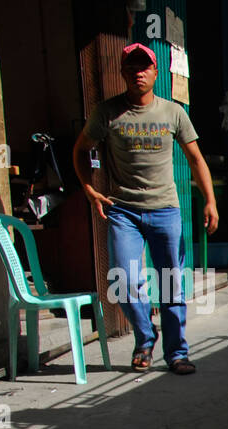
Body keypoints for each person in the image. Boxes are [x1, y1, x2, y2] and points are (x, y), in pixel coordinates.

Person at [71, 42, 218, 374]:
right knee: (123, 280)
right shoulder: (107, 113)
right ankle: (145, 337)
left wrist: (210, 200)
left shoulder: (173, 112)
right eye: (132, 67)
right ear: (123, 72)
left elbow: (195, 159)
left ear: (155, 73)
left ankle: (177, 353)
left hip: (165, 210)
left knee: (169, 284)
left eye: (144, 67)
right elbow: (81, 149)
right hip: (123, 211)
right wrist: (90, 190)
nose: (138, 72)